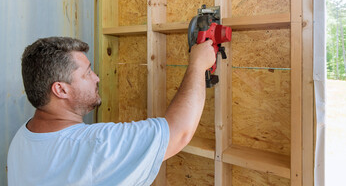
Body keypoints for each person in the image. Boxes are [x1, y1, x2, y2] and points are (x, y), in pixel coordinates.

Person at [7, 36, 215, 185]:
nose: (96, 78)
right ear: (61, 89)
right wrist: (198, 65)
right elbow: (178, 132)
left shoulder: (22, 139)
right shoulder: (93, 145)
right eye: (87, 73)